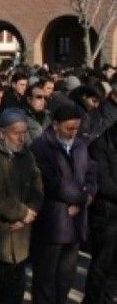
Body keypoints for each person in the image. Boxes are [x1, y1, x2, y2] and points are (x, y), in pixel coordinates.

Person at [30, 105, 97, 304]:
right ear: (56, 125)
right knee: (45, 280)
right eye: (69, 128)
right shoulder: (41, 147)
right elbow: (55, 185)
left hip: (74, 225)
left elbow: (92, 173)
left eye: (76, 128)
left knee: (65, 280)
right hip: (52, 224)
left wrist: (89, 194)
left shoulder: (81, 146)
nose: (73, 132)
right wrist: (83, 199)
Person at [0, 108, 43, 304]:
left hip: (20, 247)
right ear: (2, 133)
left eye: (24, 132)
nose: (21, 138)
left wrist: (30, 214)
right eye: (16, 133)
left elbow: (38, 189)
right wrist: (21, 213)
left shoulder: (27, 156)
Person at [83, 117, 117, 303]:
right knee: (101, 266)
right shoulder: (99, 145)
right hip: (106, 215)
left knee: (113, 271)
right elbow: (104, 184)